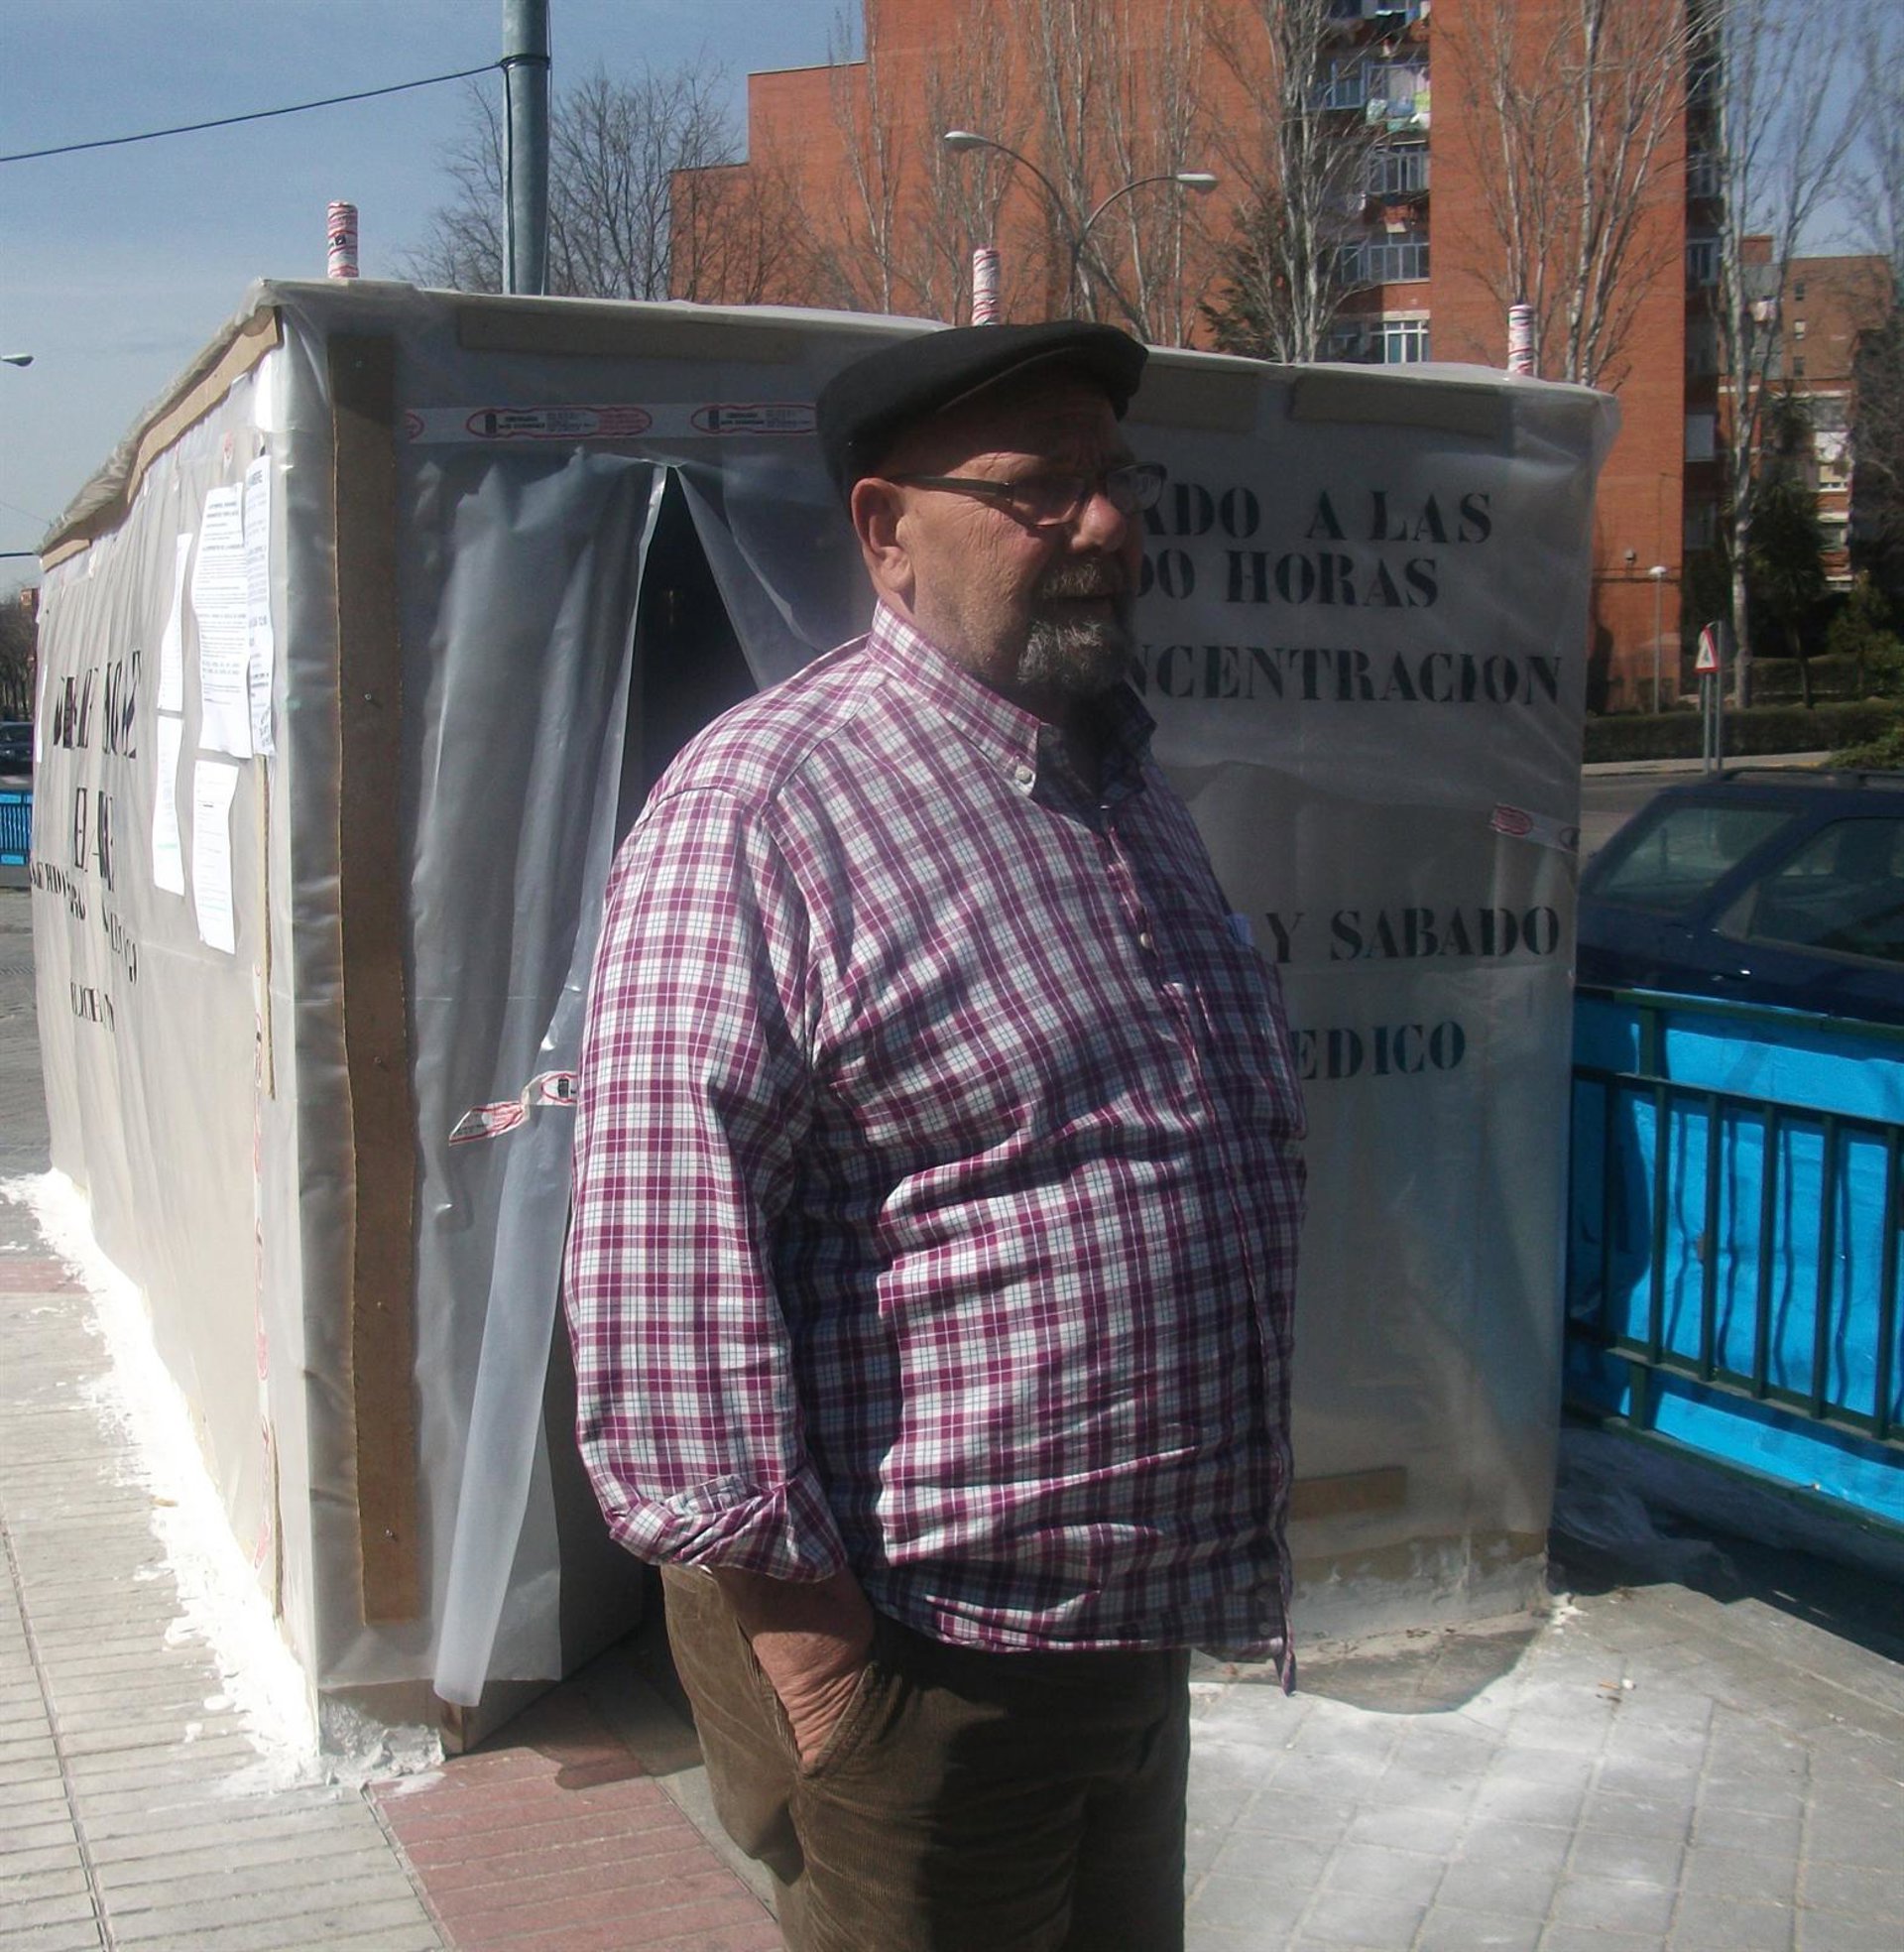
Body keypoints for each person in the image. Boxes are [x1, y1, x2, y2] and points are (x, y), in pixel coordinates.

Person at [564, 319, 1305, 1952]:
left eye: (1117, 482)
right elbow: (661, 1261)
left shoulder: (1118, 785)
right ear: (887, 530)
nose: (1103, 525)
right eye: (1040, 490)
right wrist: (820, 1671)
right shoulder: (768, 808)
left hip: (1125, 1636)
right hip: (919, 1662)